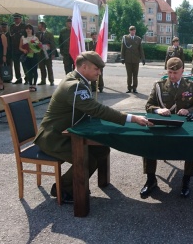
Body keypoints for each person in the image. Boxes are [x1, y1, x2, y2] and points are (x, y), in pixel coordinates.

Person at [34, 51, 151, 203]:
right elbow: (96, 109)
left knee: (102, 149)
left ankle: (86, 183)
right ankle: (63, 188)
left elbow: (92, 108)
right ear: (84, 67)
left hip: (66, 132)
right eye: (96, 69)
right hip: (53, 137)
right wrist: (132, 118)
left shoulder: (77, 80)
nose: (99, 72)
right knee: (87, 160)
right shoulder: (74, 86)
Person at [143, 57, 193, 198]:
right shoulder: (159, 85)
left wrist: (189, 111)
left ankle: (186, 180)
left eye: (175, 73)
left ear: (182, 71)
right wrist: (158, 110)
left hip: (185, 127)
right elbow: (148, 106)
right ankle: (151, 179)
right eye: (170, 72)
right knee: (147, 142)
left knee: (192, 144)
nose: (172, 76)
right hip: (164, 126)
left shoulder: (192, 86)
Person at [120, 25, 145, 93]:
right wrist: (122, 57)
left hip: (136, 59)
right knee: (129, 75)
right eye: (131, 30)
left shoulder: (138, 39)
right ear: (129, 31)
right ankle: (129, 88)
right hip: (127, 59)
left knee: (135, 75)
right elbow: (123, 49)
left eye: (133, 30)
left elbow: (141, 49)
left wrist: (143, 58)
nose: (132, 32)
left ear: (135, 31)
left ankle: (134, 88)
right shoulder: (125, 38)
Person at [19, 24, 41, 92]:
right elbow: (20, 47)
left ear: (32, 30)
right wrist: (24, 50)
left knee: (34, 70)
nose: (28, 30)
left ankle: (34, 85)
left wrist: (34, 50)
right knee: (29, 71)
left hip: (34, 56)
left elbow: (39, 48)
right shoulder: (23, 37)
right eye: (27, 29)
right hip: (26, 56)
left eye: (30, 29)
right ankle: (30, 84)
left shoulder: (35, 38)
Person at [9, 13, 26, 84]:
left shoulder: (24, 26)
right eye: (15, 18)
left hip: (22, 49)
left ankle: (27, 78)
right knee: (16, 65)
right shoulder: (12, 26)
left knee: (24, 64)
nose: (16, 20)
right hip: (14, 48)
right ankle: (18, 79)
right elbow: (10, 37)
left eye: (17, 18)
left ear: (20, 19)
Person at [37, 22, 55, 86]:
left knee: (49, 67)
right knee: (42, 67)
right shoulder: (37, 34)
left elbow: (52, 44)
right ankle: (43, 80)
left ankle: (51, 81)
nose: (38, 27)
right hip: (40, 53)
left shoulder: (49, 34)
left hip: (48, 53)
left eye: (39, 26)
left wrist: (53, 53)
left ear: (42, 27)